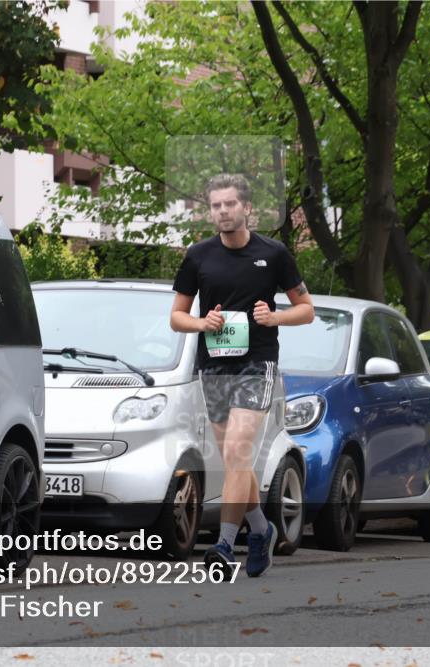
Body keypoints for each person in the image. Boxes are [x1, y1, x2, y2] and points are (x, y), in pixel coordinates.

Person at [170, 173, 314, 579]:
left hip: (258, 362)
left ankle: (223, 542)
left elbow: (307, 310)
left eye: (230, 204)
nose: (222, 212)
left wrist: (276, 316)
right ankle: (262, 530)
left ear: (247, 208)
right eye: (216, 206)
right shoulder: (198, 255)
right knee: (233, 458)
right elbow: (177, 317)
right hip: (214, 364)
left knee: (237, 450)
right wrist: (203, 323)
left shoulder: (275, 253)